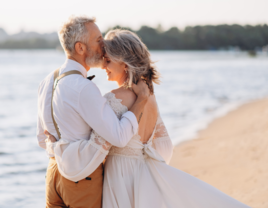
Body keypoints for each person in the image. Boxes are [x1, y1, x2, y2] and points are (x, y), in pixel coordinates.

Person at [46, 29, 251, 208]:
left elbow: (92, 145)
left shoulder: (112, 99)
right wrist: (149, 168)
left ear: (124, 63)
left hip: (120, 177)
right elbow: (165, 146)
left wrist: (56, 147)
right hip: (144, 174)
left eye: (108, 60)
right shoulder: (150, 98)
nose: (104, 66)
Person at [37, 16, 150, 208]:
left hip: (53, 174)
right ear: (80, 48)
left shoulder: (48, 81)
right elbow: (120, 137)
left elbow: (42, 138)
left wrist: (59, 148)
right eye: (98, 40)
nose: (104, 45)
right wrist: (141, 101)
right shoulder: (83, 88)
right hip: (81, 179)